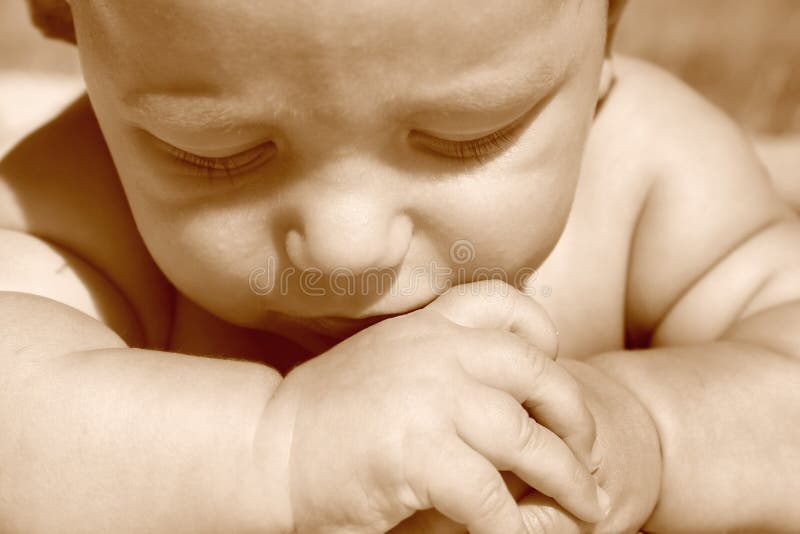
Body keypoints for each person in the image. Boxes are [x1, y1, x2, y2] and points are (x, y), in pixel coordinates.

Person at [1, 0, 799, 532]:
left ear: (606, 32)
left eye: (467, 134)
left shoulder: (645, 171)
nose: (348, 245)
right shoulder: (79, 203)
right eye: (215, 151)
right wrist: (275, 451)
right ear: (70, 25)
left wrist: (656, 426)